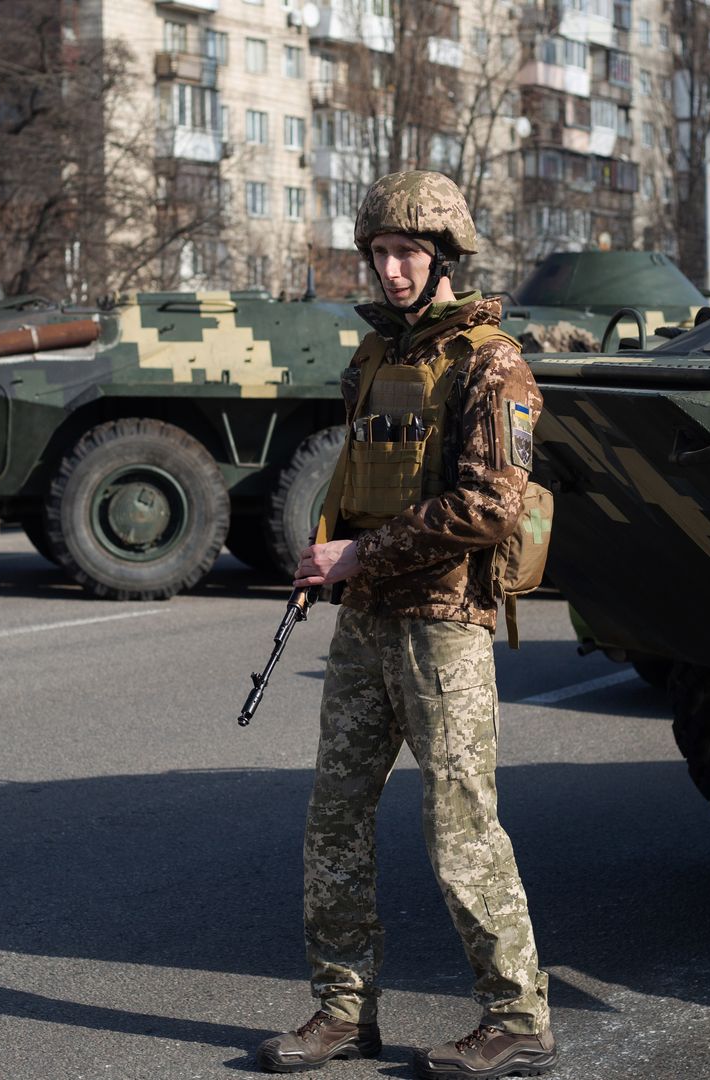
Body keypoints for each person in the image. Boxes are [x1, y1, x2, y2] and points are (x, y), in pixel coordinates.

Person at [258, 171, 555, 1079]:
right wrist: (327, 558)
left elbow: (491, 506)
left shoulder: (490, 363)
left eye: (408, 254)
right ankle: (345, 1011)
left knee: (461, 825)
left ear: (444, 260)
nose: (390, 270)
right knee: (335, 817)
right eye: (380, 252)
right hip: (369, 619)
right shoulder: (375, 360)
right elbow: (356, 479)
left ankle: (518, 1018)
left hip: (443, 624)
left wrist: (358, 557)